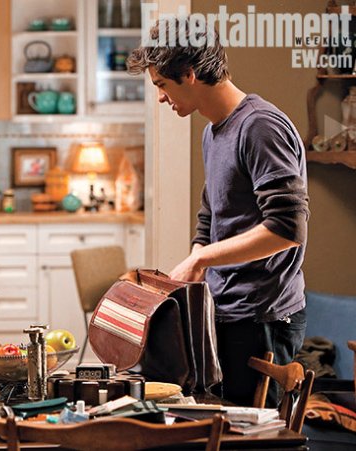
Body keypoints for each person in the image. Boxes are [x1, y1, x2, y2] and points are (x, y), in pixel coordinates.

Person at [128, 18, 309, 406]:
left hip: (263, 317)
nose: (160, 97)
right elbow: (212, 212)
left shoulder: (260, 127)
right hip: (227, 309)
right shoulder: (213, 131)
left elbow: (288, 228)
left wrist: (202, 258)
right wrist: (198, 258)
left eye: (162, 84)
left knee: (256, 434)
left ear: (189, 74)